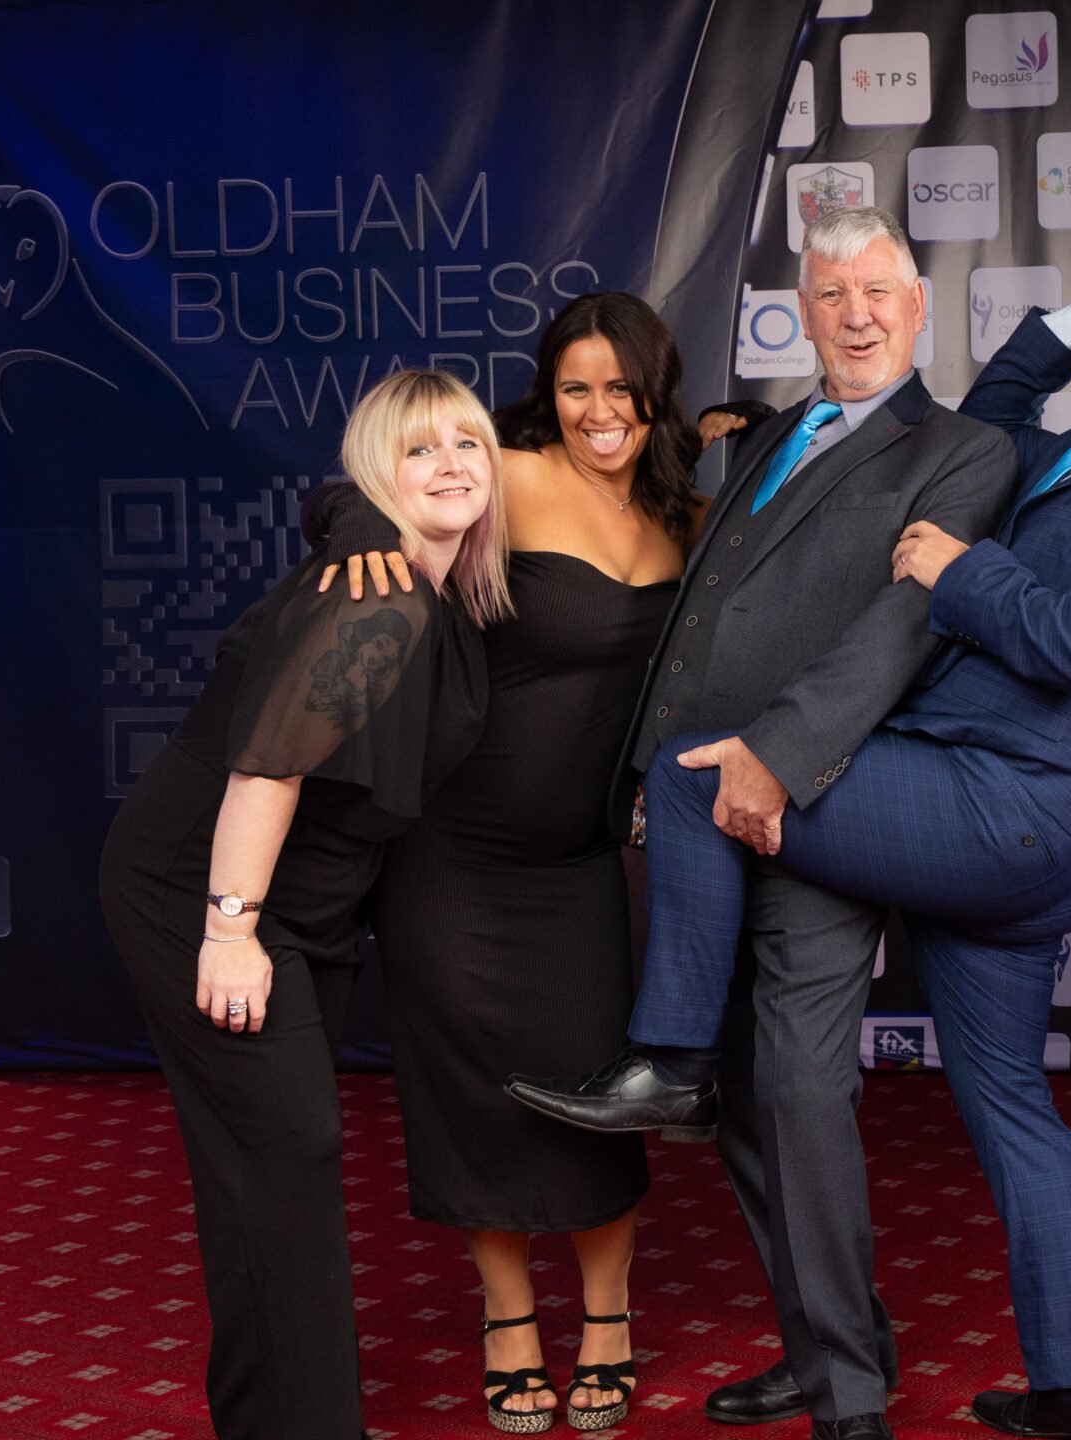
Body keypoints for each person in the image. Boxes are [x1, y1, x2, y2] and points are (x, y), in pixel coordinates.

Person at [520, 255, 1071, 1440]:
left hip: (1003, 809)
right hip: (976, 821)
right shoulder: (1056, 454)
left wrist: (966, 571)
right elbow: (999, 401)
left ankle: (673, 1059)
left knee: (708, 766)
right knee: (1012, 1104)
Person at [502, 205, 1019, 1440]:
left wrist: (777, 763)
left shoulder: (962, 452)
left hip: (813, 806)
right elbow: (704, 616)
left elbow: (900, 626)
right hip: (692, 816)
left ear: (919, 307)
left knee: (793, 1087)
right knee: (737, 1094)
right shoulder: (769, 432)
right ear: (805, 309)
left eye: (876, 293)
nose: (852, 315)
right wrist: (645, 767)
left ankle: (847, 1401)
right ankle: (829, 1343)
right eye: (829, 294)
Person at [303, 293, 755, 1431]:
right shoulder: (506, 470)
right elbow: (356, 491)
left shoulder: (691, 512)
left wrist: (738, 440)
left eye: (622, 389)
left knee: (595, 1094)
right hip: (450, 853)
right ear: (546, 392)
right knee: (474, 1097)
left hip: (577, 861)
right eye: (575, 386)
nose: (599, 412)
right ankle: (508, 1320)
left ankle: (607, 1320)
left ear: (659, 394)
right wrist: (360, 533)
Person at [97, 369, 506, 1439]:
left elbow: (336, 499)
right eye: (418, 450)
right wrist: (227, 932)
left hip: (308, 900)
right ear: (379, 471)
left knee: (261, 1163)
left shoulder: (427, 577)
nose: (452, 464)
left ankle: (276, 1419)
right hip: (210, 887)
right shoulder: (374, 597)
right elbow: (266, 772)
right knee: (284, 1149)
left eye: (467, 442)